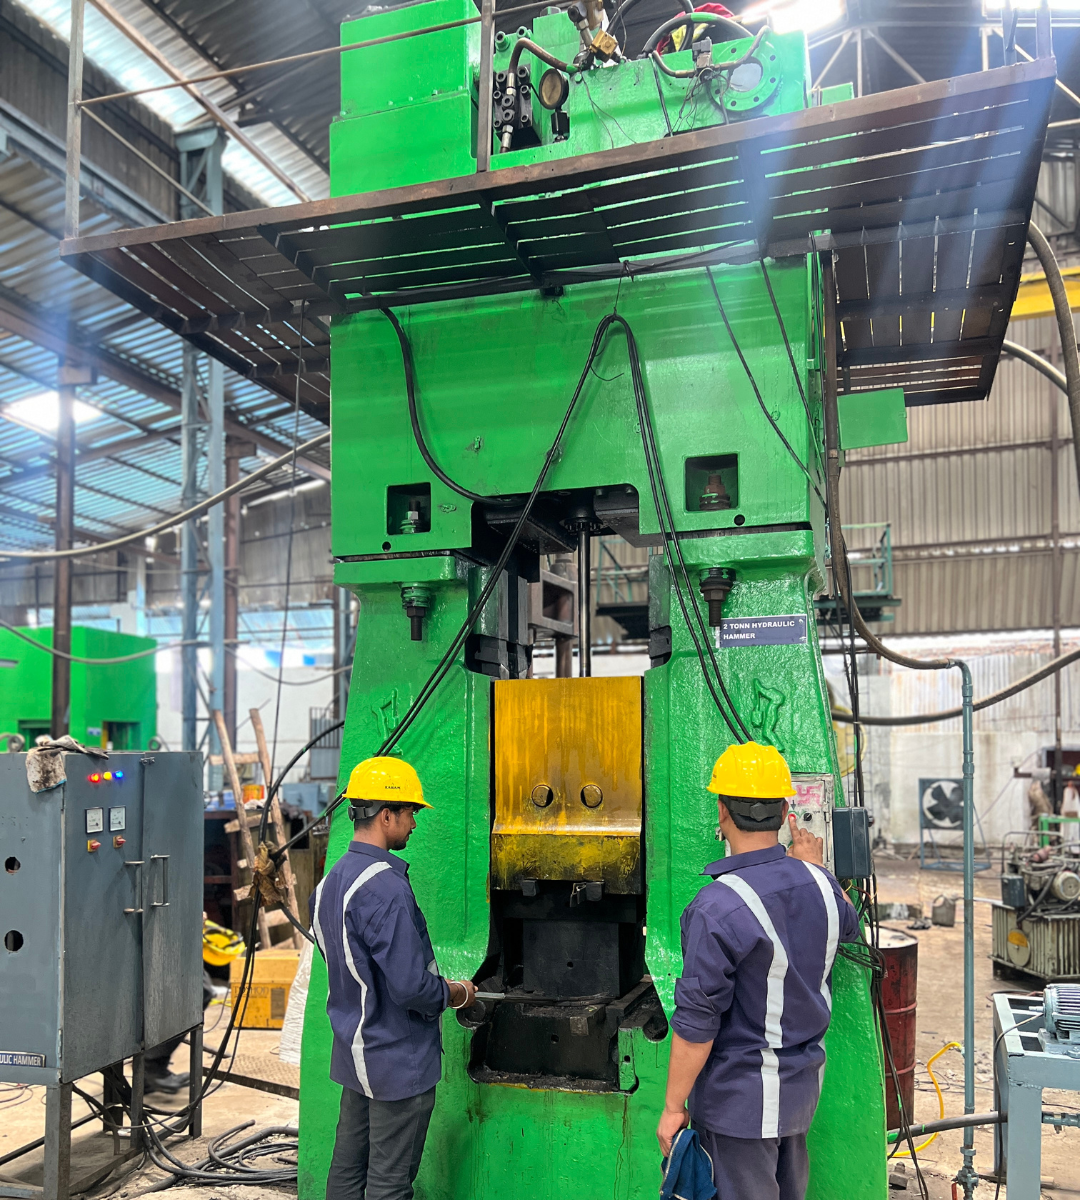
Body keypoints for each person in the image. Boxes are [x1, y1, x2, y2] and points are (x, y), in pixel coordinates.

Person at [656, 742, 862, 1200]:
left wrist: (672, 1107)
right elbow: (849, 922)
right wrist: (816, 869)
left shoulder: (716, 907)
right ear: (786, 812)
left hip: (739, 1109)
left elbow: (697, 1023)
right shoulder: (823, 885)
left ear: (722, 812)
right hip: (799, 1098)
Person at [311, 757, 477, 1200]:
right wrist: (456, 993)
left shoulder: (328, 884)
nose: (414, 824)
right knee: (389, 1184)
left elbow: (345, 966)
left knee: (347, 1173)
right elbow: (410, 988)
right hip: (398, 1063)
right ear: (386, 815)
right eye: (410, 813)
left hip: (356, 1055)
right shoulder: (386, 889)